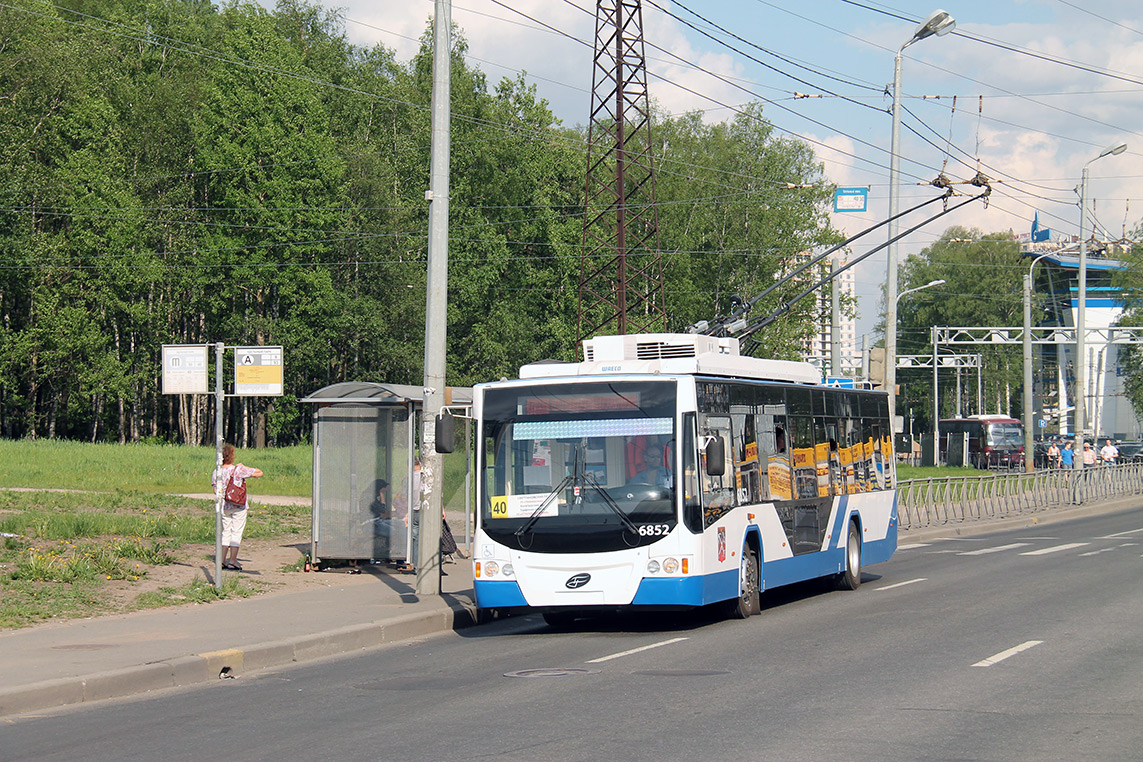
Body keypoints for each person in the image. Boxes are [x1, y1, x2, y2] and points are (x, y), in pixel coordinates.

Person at [211, 443, 263, 570]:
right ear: (231, 456)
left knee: (226, 532)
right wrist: (244, 466)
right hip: (238, 505)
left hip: (224, 506)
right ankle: (233, 561)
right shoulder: (238, 470)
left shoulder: (216, 471)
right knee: (236, 532)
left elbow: (215, 489)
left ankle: (222, 560)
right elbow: (259, 473)